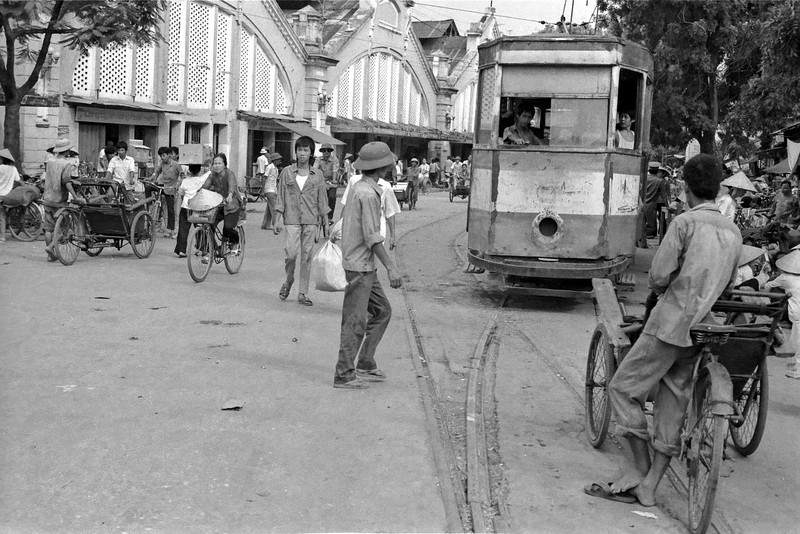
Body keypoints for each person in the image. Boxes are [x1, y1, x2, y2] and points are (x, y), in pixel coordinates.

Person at [587, 154, 741, 507]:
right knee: (673, 404)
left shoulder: (685, 224)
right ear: (717, 189)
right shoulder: (733, 231)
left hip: (670, 324)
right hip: (702, 330)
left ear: (686, 187)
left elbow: (657, 276)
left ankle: (639, 470)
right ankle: (650, 488)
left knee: (623, 389)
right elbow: (728, 284)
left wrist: (676, 281)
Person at [333, 141, 403, 389]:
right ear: (383, 167)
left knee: (382, 311)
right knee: (355, 321)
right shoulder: (367, 194)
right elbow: (373, 238)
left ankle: (365, 361)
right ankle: (343, 373)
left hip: (364, 265)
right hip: (360, 265)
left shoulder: (360, 187)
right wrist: (391, 268)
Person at [274, 136, 329, 306]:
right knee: (291, 254)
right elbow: (280, 197)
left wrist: (325, 221)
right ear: (296, 152)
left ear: (311, 153)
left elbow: (322, 199)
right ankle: (289, 280)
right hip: (291, 219)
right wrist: (277, 219)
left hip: (311, 220)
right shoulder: (286, 173)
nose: (302, 153)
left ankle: (303, 293)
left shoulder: (317, 175)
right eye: (299, 150)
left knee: (306, 257)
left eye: (305, 150)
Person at [341, 155, 401, 250]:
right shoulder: (356, 184)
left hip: (377, 232)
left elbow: (390, 213)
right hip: (361, 235)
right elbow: (346, 205)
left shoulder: (386, 186)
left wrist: (393, 236)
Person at [42, 139, 83, 261]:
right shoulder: (66, 164)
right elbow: (66, 183)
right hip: (59, 200)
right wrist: (76, 197)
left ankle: (51, 256)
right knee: (63, 227)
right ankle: (51, 247)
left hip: (47, 198)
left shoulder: (49, 162)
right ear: (67, 150)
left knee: (49, 228)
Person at [764, 250, 800, 379]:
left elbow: (767, 287)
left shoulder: (784, 277)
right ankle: (794, 366)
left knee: (797, 340)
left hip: (797, 312)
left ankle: (797, 371)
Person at [200, 153, 242, 256]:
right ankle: (209, 250)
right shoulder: (212, 175)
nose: (217, 165)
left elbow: (232, 185)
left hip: (232, 205)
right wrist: (197, 195)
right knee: (208, 225)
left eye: (219, 163)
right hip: (218, 204)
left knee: (228, 228)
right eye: (215, 163)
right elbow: (205, 187)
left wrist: (230, 195)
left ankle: (235, 243)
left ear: (224, 165)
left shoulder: (229, 174)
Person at [174, 162, 209, 258]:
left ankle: (181, 250)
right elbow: (209, 173)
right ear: (199, 171)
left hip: (186, 207)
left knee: (183, 229)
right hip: (198, 208)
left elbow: (181, 193)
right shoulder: (202, 180)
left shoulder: (185, 181)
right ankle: (202, 248)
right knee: (200, 228)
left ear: (189, 170)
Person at [150, 146, 181, 238]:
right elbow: (157, 171)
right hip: (163, 187)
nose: (162, 158)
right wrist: (154, 180)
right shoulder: (162, 164)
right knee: (149, 188)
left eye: (163, 155)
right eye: (161, 156)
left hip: (172, 189)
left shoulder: (176, 165)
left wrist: (178, 184)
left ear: (169, 155)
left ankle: (172, 230)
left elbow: (181, 175)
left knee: (172, 211)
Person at [314, 143, 339, 224]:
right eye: (324, 150)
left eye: (328, 150)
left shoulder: (334, 159)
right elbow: (315, 169)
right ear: (322, 152)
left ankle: (330, 217)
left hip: (331, 182)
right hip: (321, 182)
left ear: (331, 152)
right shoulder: (318, 159)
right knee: (316, 198)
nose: (326, 152)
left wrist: (334, 180)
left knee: (332, 197)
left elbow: (335, 170)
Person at [0, 148, 21, 241]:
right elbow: (19, 181)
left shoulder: (0, 168)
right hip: (8, 196)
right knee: (3, 215)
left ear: (3, 159)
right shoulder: (13, 169)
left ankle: (2, 237)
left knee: (1, 216)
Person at [260, 152, 282, 231]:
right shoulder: (270, 167)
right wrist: (263, 191)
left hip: (273, 189)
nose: (280, 161)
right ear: (274, 160)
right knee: (275, 208)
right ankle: (275, 225)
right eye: (278, 159)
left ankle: (265, 224)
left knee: (269, 208)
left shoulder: (275, 169)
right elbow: (264, 178)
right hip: (269, 189)